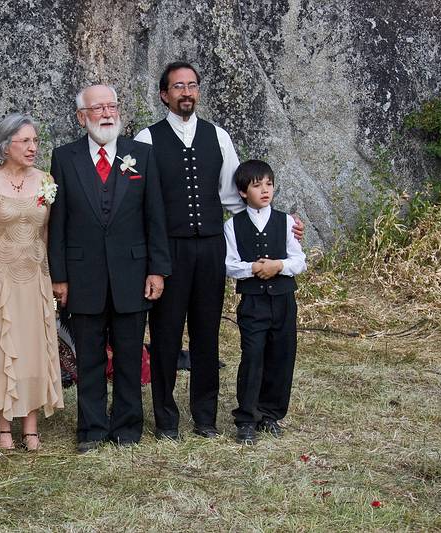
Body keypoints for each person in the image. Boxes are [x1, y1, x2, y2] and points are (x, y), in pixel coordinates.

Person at [135, 62, 304, 439]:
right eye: (178, 87)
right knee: (165, 334)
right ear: (164, 94)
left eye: (192, 85)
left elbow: (237, 196)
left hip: (211, 247)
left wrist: (279, 226)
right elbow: (143, 202)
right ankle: (166, 420)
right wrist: (151, 259)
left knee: (207, 333)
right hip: (170, 249)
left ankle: (205, 418)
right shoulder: (147, 139)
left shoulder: (218, 136)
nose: (186, 92)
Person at [48, 85, 170, 452]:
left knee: (131, 354)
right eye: (97, 107)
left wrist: (157, 270)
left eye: (112, 106)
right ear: (81, 116)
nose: (107, 113)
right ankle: (91, 429)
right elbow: (59, 223)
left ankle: (128, 427)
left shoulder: (142, 155)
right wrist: (59, 276)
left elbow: (155, 217)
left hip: (132, 273)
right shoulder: (64, 158)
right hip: (83, 275)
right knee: (89, 357)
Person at [0, 113, 64, 451]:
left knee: (33, 346)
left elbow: (48, 232)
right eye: (24, 141)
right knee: (2, 345)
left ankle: (31, 423)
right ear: (5, 145)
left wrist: (54, 276)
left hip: (35, 274)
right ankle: (2, 424)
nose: (32, 147)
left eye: (35, 140)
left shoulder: (46, 180)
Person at [224, 160, 306, 444]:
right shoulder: (233, 225)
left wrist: (278, 266)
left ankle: (271, 414)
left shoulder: (286, 222)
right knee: (253, 356)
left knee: (282, 356)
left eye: (269, 184)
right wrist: (254, 269)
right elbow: (230, 264)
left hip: (284, 300)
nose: (265, 190)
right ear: (243, 192)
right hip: (253, 303)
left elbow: (299, 260)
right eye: (257, 185)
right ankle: (247, 418)